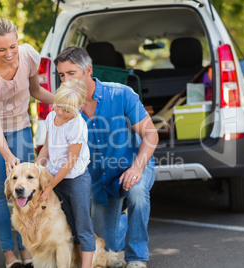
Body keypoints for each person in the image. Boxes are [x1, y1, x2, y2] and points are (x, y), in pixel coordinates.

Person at [54, 47, 159, 268]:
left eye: (71, 73)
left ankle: (137, 257)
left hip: (133, 166)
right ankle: (124, 224)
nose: (65, 80)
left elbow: (151, 134)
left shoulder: (121, 94)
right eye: (61, 75)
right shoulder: (66, 109)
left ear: (88, 70)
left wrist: (137, 168)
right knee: (106, 251)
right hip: (100, 183)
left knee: (138, 194)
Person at [0, 18, 54, 268]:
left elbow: (36, 91)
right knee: (0, 190)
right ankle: (9, 253)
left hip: (19, 125)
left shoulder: (28, 55)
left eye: (12, 47)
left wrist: (62, 101)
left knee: (27, 188)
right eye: (2, 49)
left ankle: (26, 247)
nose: (9, 54)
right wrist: (7, 157)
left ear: (18, 41)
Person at [35, 79, 95, 268]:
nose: (60, 112)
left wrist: (50, 186)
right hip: (55, 179)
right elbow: (46, 147)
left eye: (67, 110)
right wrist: (37, 170)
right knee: (66, 224)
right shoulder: (52, 117)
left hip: (76, 181)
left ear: (79, 106)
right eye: (58, 106)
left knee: (82, 226)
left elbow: (70, 162)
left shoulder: (77, 125)